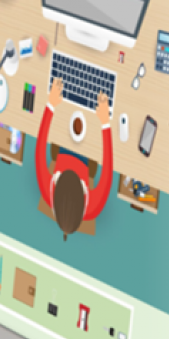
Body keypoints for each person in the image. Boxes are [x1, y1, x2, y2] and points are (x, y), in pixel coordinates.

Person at [35, 79, 114, 240]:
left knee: (68, 110)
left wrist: (50, 105)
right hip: (86, 158)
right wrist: (105, 123)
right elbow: (108, 170)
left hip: (63, 149)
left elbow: (39, 148)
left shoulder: (47, 191)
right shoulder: (93, 208)